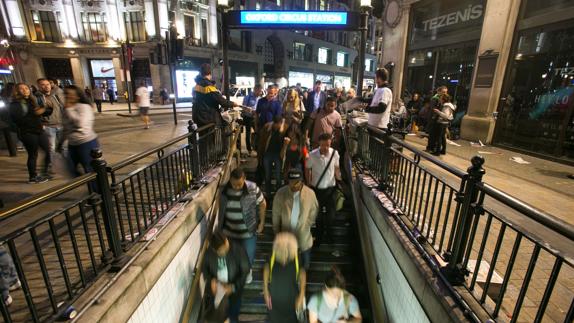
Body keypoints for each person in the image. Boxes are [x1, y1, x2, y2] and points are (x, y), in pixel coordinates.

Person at [219, 168, 267, 284]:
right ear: (230, 180)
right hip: (229, 231)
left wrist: (262, 222)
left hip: (248, 232)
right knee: (231, 256)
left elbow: (262, 204)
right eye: (234, 184)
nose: (236, 187)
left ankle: (247, 272)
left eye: (239, 184)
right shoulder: (224, 189)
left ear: (244, 179)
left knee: (248, 255)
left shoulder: (253, 188)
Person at [272, 169, 318, 270]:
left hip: (304, 238)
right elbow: (275, 215)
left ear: (301, 181)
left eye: (296, 182)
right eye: (291, 182)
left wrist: (307, 224)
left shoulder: (310, 194)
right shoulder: (281, 193)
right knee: (288, 266)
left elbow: (314, 211)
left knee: (305, 265)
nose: (293, 185)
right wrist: (277, 233)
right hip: (286, 238)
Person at [201, 231, 249, 323]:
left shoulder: (238, 250)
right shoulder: (209, 253)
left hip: (234, 290)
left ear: (226, 241)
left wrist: (233, 287)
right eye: (220, 251)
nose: (222, 252)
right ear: (214, 250)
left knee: (233, 315)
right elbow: (206, 269)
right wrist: (212, 280)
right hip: (218, 292)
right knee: (220, 316)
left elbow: (245, 271)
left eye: (224, 249)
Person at [9, 83, 51, 183]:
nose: (25, 90)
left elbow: (40, 113)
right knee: (33, 155)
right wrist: (37, 112)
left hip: (39, 130)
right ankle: (33, 177)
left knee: (48, 150)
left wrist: (47, 109)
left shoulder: (31, 100)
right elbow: (18, 119)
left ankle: (44, 172)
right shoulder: (15, 104)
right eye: (21, 89)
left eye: (26, 88)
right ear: (17, 91)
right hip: (27, 132)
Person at [306, 133, 341, 246]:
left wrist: (339, 178)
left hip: (331, 189)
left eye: (328, 145)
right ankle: (319, 236)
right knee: (318, 216)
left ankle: (330, 235)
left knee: (331, 215)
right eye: (323, 145)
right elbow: (308, 168)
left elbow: (336, 168)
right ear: (319, 144)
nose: (326, 148)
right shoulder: (312, 155)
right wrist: (308, 182)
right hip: (317, 189)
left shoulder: (334, 154)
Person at [263, 232, 307, 323]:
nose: (284, 246)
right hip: (274, 300)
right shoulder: (273, 255)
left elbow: (302, 272)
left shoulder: (296, 257)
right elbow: (266, 268)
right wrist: (265, 289)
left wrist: (302, 294)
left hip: (291, 300)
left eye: (287, 244)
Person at [62, 85, 99, 176]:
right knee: (70, 168)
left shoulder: (84, 107)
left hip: (86, 143)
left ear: (78, 96)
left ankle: (98, 189)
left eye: (70, 94)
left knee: (90, 169)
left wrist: (69, 109)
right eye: (66, 94)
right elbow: (66, 127)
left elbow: (80, 124)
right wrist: (61, 142)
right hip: (72, 144)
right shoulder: (66, 108)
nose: (67, 96)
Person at [192, 63, 238, 128]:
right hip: (208, 119)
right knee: (211, 137)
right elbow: (222, 102)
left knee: (202, 136)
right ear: (210, 73)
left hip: (199, 118)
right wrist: (233, 104)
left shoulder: (197, 85)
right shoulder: (208, 86)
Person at [257, 115, 289, 201]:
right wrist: (260, 156)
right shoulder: (267, 127)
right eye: (275, 124)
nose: (277, 126)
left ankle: (277, 195)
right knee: (267, 175)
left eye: (278, 124)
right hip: (268, 154)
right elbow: (261, 142)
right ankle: (268, 195)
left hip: (278, 155)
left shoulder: (285, 128)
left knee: (278, 176)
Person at [36, 78, 64, 164]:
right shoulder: (37, 98)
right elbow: (35, 112)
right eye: (43, 85)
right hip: (48, 126)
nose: (46, 86)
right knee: (51, 148)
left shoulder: (54, 95)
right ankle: (52, 165)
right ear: (38, 86)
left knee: (63, 146)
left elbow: (61, 107)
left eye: (47, 84)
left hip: (60, 124)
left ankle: (64, 163)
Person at [241, 84, 263, 156]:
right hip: (248, 117)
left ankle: (257, 148)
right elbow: (243, 107)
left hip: (256, 118)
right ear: (255, 89)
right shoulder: (248, 97)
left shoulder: (259, 98)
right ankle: (249, 150)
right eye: (259, 92)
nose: (260, 93)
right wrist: (251, 111)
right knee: (248, 133)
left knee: (258, 132)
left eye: (260, 92)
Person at [426, 86, 448, 152]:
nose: (445, 93)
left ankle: (438, 149)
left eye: (446, 92)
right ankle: (430, 148)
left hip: (440, 120)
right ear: (439, 92)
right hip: (434, 120)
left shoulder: (443, 99)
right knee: (432, 134)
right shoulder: (435, 99)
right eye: (443, 92)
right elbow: (433, 110)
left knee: (440, 136)